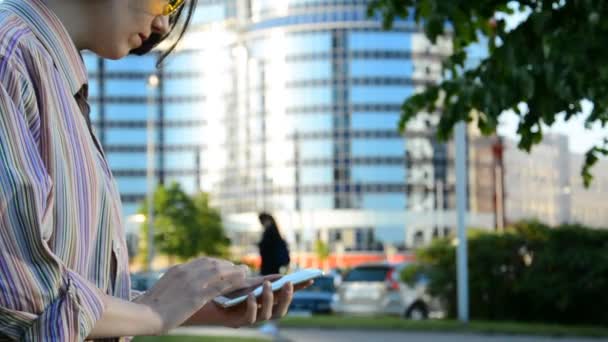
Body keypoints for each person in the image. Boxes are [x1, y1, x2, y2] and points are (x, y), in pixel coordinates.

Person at [0, 1, 309, 340]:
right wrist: (154, 312)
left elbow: (66, 289)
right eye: (170, 1)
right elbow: (21, 294)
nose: (163, 24)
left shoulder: (52, 79)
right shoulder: (9, 57)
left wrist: (197, 305)